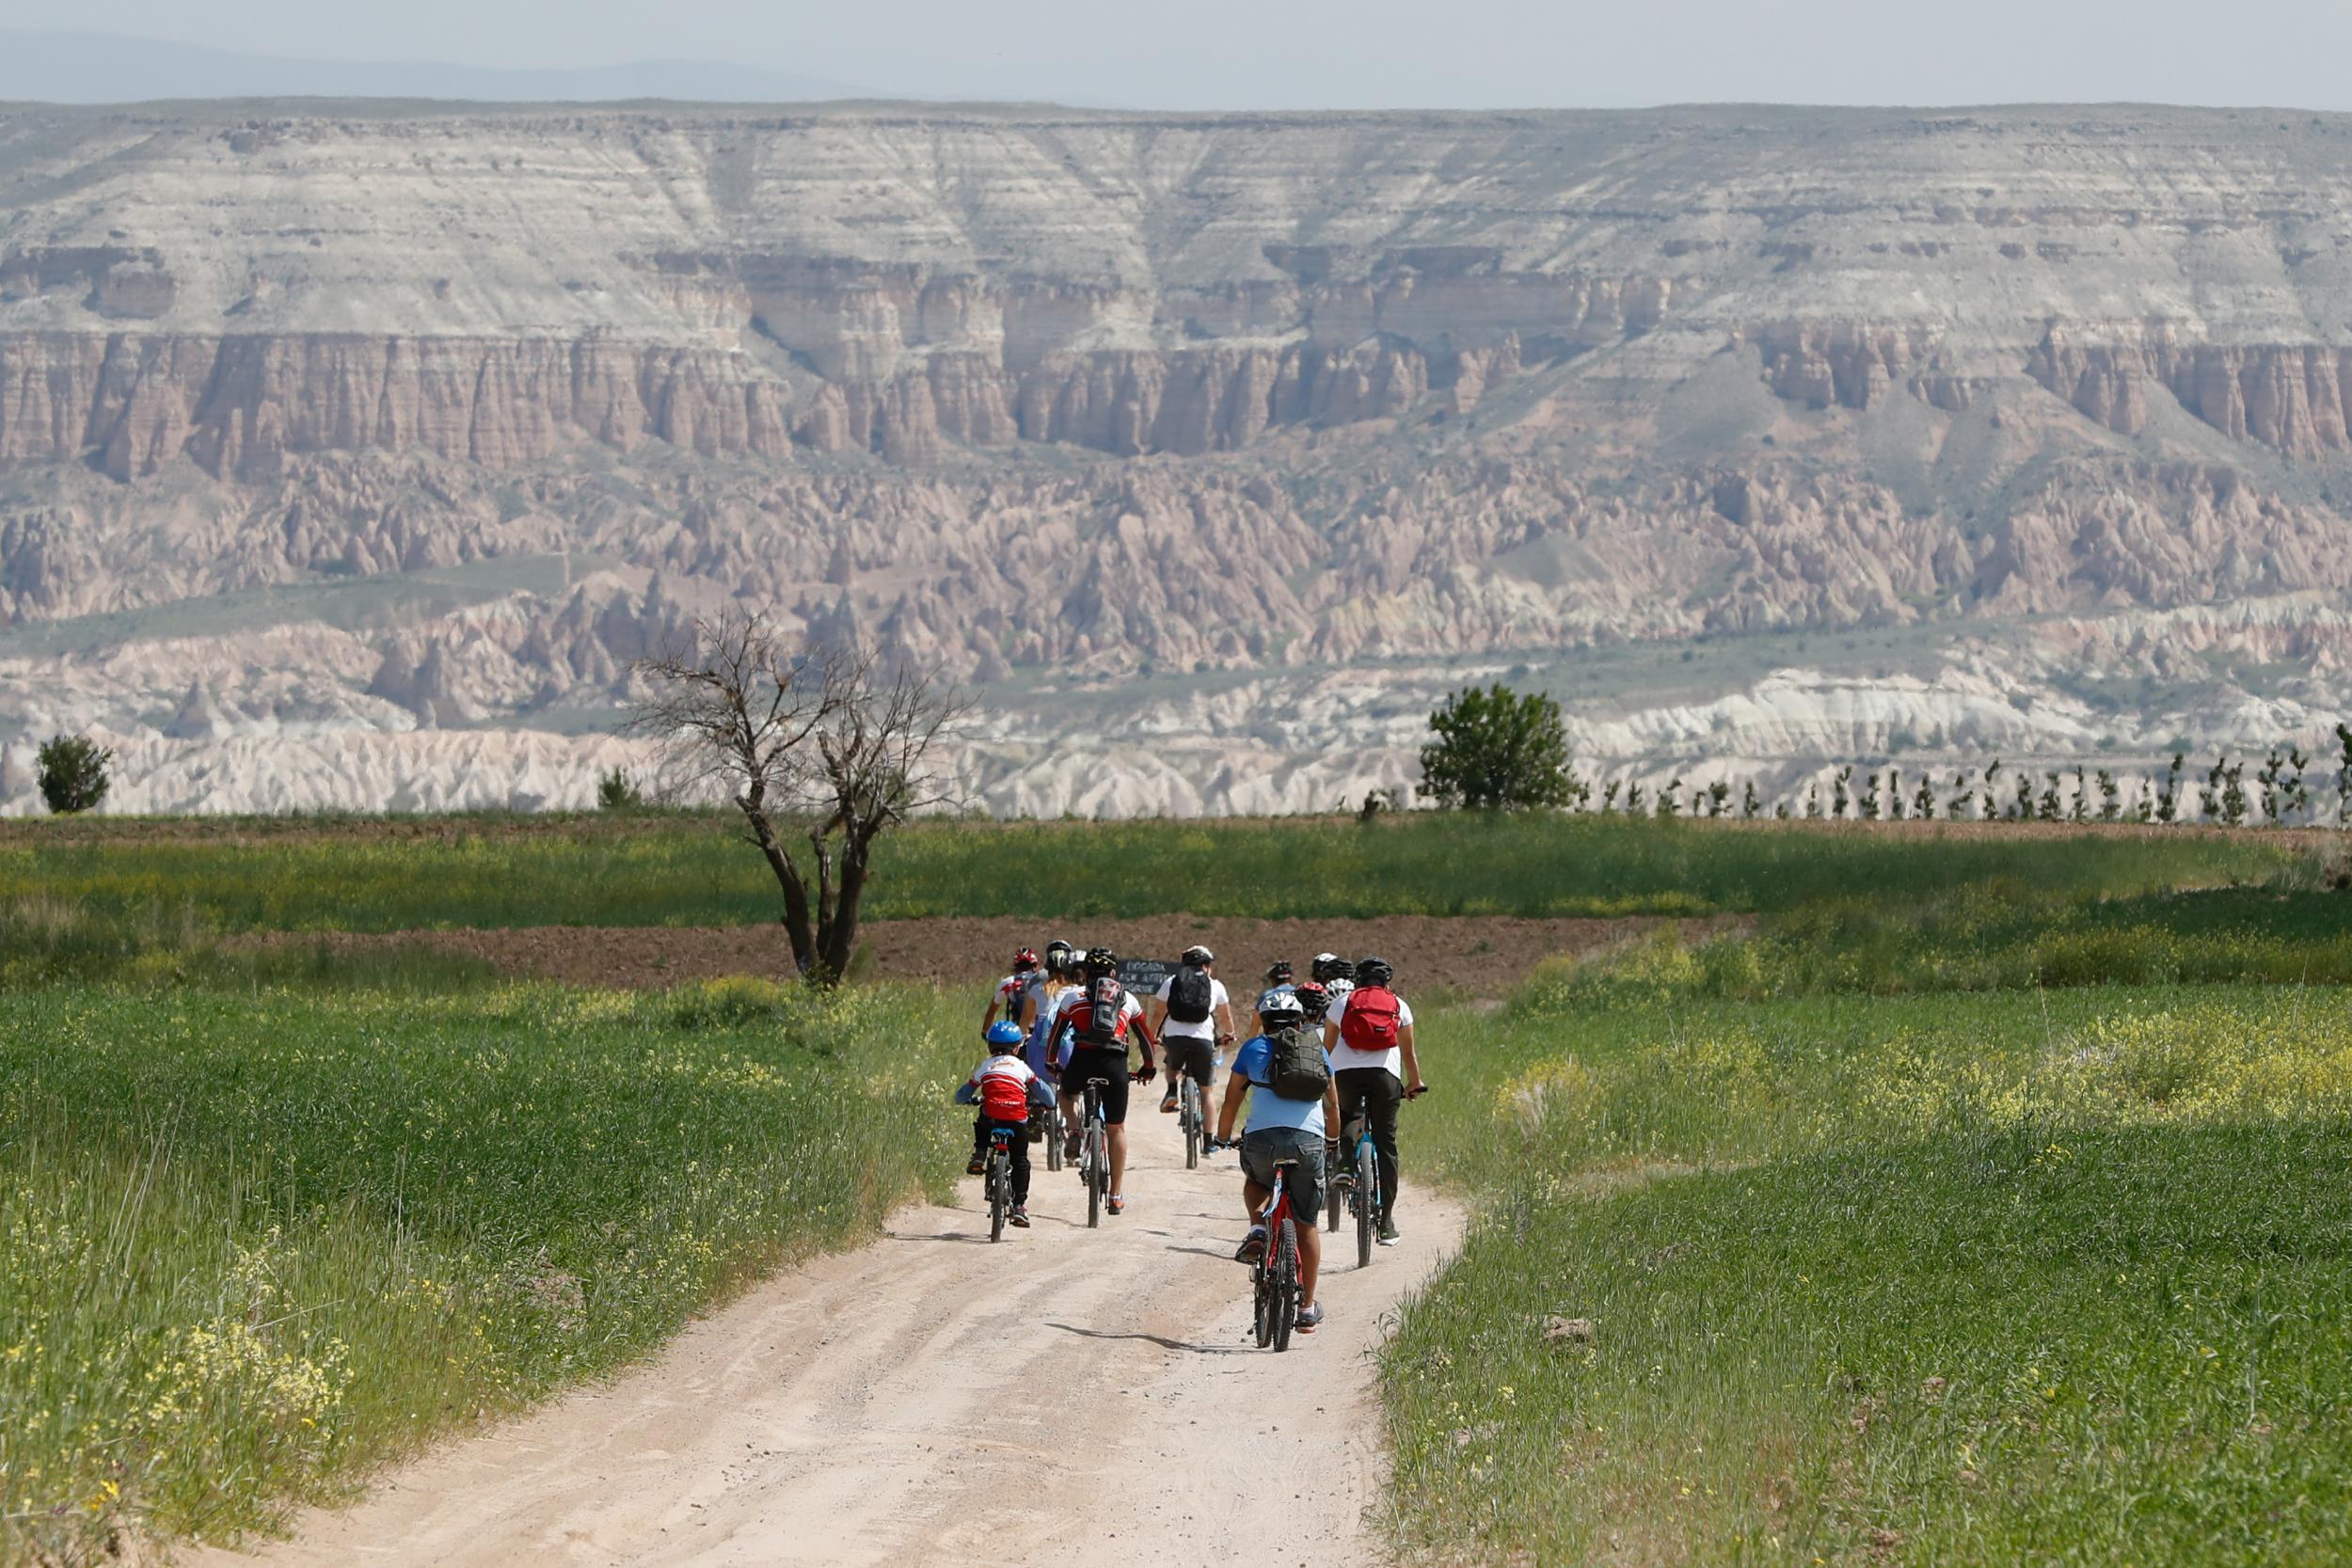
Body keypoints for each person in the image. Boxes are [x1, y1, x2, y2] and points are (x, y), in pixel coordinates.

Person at [1214, 986, 1341, 1333]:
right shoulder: (1317, 1050)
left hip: (1263, 1143)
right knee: (1307, 1225)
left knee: (1256, 1181)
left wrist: (1223, 1137)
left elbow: (1231, 1102)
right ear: (1299, 1020)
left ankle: (1258, 1227)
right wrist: (1331, 1141)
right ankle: (1308, 1307)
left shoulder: (1252, 1049)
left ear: (1264, 1020)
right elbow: (1332, 1106)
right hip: (1309, 1143)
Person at [1048, 946, 1159, 1216]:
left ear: (1085, 973)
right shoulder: (1128, 999)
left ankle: (1074, 1131)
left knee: (1065, 1094)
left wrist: (1052, 1062)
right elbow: (1146, 1039)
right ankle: (1116, 1194)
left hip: (1082, 1061)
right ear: (1113, 973)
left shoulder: (1073, 997)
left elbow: (1055, 1036)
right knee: (1117, 1128)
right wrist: (1148, 1067)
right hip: (1114, 1065)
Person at [1322, 955, 1422, 1246]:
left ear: (1358, 981)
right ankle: (1387, 1222)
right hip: (1385, 1078)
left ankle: (1344, 1166)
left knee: (1348, 1116)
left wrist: (1321, 1080)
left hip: (1345, 1076)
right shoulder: (1400, 1006)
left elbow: (1326, 1049)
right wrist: (1415, 1083)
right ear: (1387, 983)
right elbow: (1408, 1054)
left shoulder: (1341, 1003)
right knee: (1386, 1142)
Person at [957, 1021, 1056, 1228]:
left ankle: (980, 1153)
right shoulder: (1021, 1066)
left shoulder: (987, 1065)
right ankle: (1019, 1206)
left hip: (993, 1114)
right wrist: (1049, 1103)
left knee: (984, 1118)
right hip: (1016, 1118)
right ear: (1018, 1047)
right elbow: (1043, 1091)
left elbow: (966, 1091)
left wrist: (961, 1099)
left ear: (989, 1046)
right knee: (1020, 1160)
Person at [1150, 943, 1234, 1116]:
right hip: (1204, 1039)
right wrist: (1230, 1033)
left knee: (1172, 1063)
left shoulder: (1172, 981)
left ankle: (1172, 1090)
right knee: (1207, 1091)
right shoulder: (1215, 985)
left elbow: (1158, 1013)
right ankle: (1209, 1139)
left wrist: (1151, 1035)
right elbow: (1225, 1016)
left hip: (1175, 1037)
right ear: (1206, 965)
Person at [982, 947, 1040, 1040]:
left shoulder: (1008, 983)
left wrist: (985, 1032)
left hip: (1017, 1032)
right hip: (1041, 1031)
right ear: (1035, 966)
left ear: (1016, 967)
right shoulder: (1044, 981)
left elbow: (992, 1010)